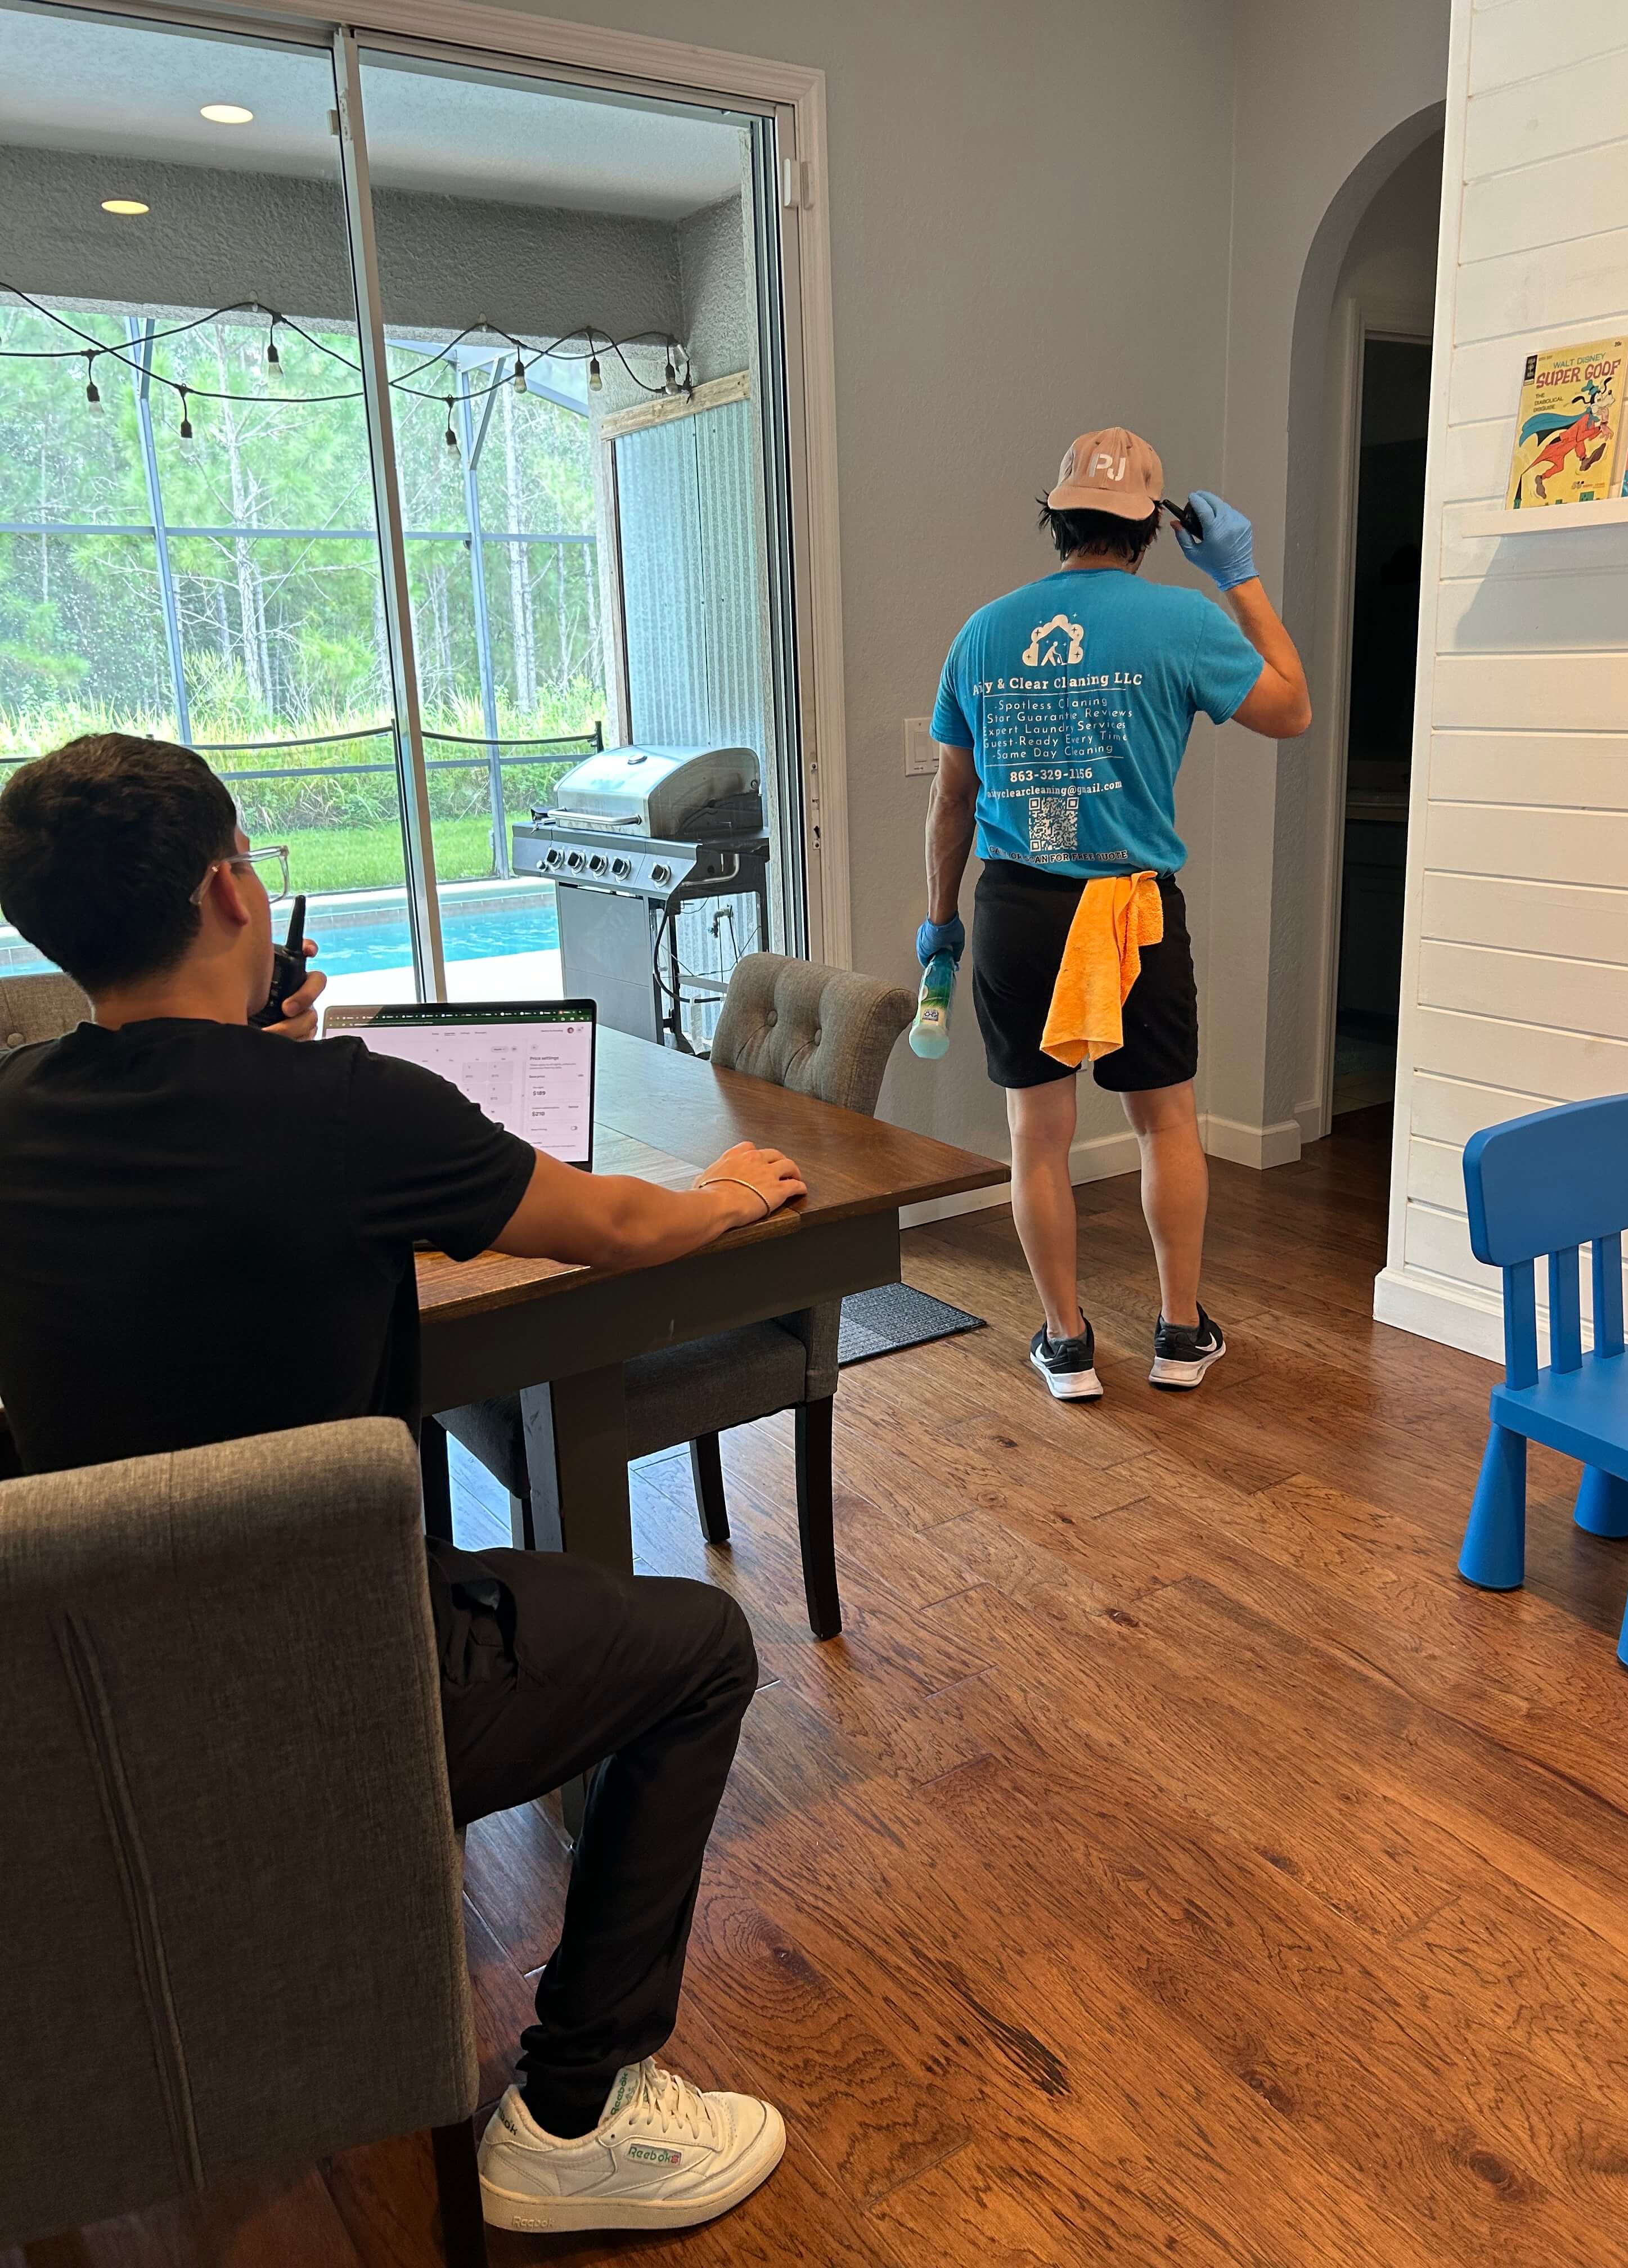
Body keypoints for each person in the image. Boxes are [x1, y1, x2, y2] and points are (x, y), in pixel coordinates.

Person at [0, 733, 803, 2238]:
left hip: (81, 1701)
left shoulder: (16, 1104)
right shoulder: (351, 1116)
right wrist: (726, 1195)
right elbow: (620, 1227)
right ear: (234, 890)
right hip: (335, 1687)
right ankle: (577, 2108)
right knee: (701, 1648)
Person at [921, 429, 1310, 1402]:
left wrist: (940, 923)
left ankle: (1066, 1344)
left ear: (1057, 517)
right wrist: (1241, 578)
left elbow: (951, 802)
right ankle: (1180, 1336)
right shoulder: (1182, 621)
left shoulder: (984, 631)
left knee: (1035, 1137)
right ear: (1153, 527)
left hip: (1016, 905)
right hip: (1130, 909)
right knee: (1165, 1122)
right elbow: (1292, 709)